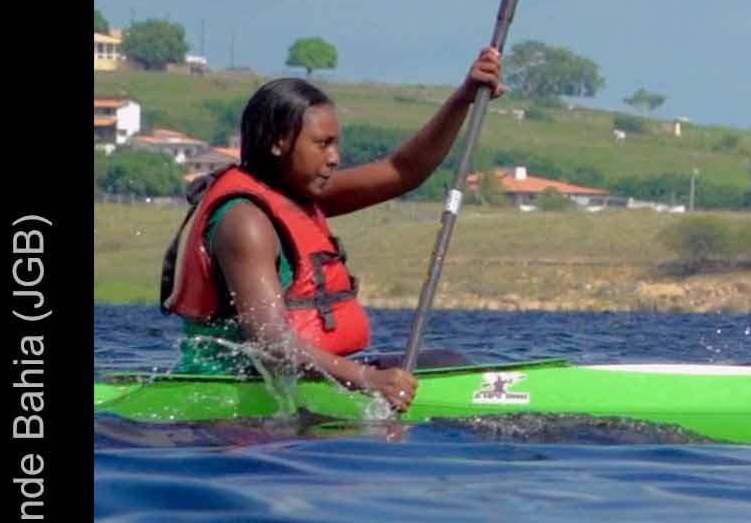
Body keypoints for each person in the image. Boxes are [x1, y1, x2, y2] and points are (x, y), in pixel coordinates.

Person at [159, 47, 507, 412]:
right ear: (278, 142)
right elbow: (272, 344)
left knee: (450, 363)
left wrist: (463, 98)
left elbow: (403, 171)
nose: (334, 158)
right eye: (323, 144)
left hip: (305, 378)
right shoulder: (245, 222)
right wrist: (369, 379)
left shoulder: (298, 195)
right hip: (237, 393)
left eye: (336, 144)